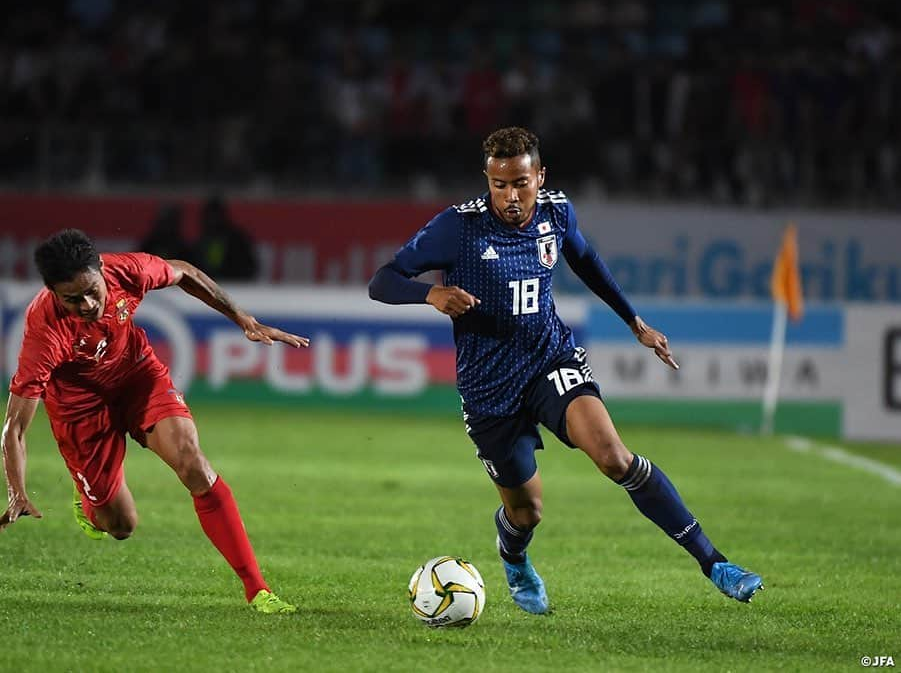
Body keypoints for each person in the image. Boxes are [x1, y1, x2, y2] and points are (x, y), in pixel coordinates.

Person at [368, 127, 763, 614]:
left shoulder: (557, 211)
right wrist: (430, 293)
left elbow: (589, 261)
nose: (510, 196)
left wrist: (635, 322)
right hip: (489, 386)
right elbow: (382, 280)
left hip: (549, 358)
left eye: (520, 182)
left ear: (540, 176)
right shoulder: (458, 227)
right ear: (486, 179)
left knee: (614, 457)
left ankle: (715, 563)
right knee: (526, 511)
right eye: (498, 184)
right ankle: (513, 557)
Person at [1, 229, 308, 614]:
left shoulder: (126, 270)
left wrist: (242, 318)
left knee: (192, 462)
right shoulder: (43, 332)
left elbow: (184, 272)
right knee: (121, 526)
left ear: (101, 270)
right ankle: (91, 505)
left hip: (137, 377)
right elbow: (15, 427)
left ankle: (257, 589)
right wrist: (17, 490)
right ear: (52, 293)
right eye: (72, 299)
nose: (88, 304)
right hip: (80, 409)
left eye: (92, 290)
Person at [192, 195, 259, 281]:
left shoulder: (237, 240)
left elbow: (249, 268)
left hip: (233, 286)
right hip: (206, 286)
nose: (212, 221)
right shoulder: (201, 241)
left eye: (215, 216)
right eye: (209, 217)